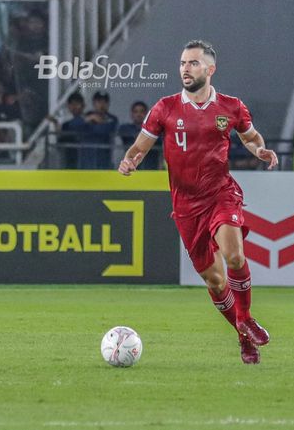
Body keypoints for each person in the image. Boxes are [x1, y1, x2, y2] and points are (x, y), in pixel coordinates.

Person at [118, 40, 278, 364]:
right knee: (216, 280)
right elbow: (140, 145)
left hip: (220, 193)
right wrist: (129, 161)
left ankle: (245, 317)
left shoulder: (231, 107)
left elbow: (250, 137)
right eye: (182, 63)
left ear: (210, 69)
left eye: (192, 63)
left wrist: (260, 150)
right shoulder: (164, 108)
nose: (185, 69)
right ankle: (242, 336)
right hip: (186, 206)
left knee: (234, 256)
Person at [118, 101, 159, 170]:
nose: (139, 114)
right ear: (131, 114)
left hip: (152, 167)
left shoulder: (155, 129)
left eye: (142, 111)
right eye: (136, 112)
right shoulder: (125, 128)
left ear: (147, 114)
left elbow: (159, 139)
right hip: (130, 166)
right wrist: (144, 136)